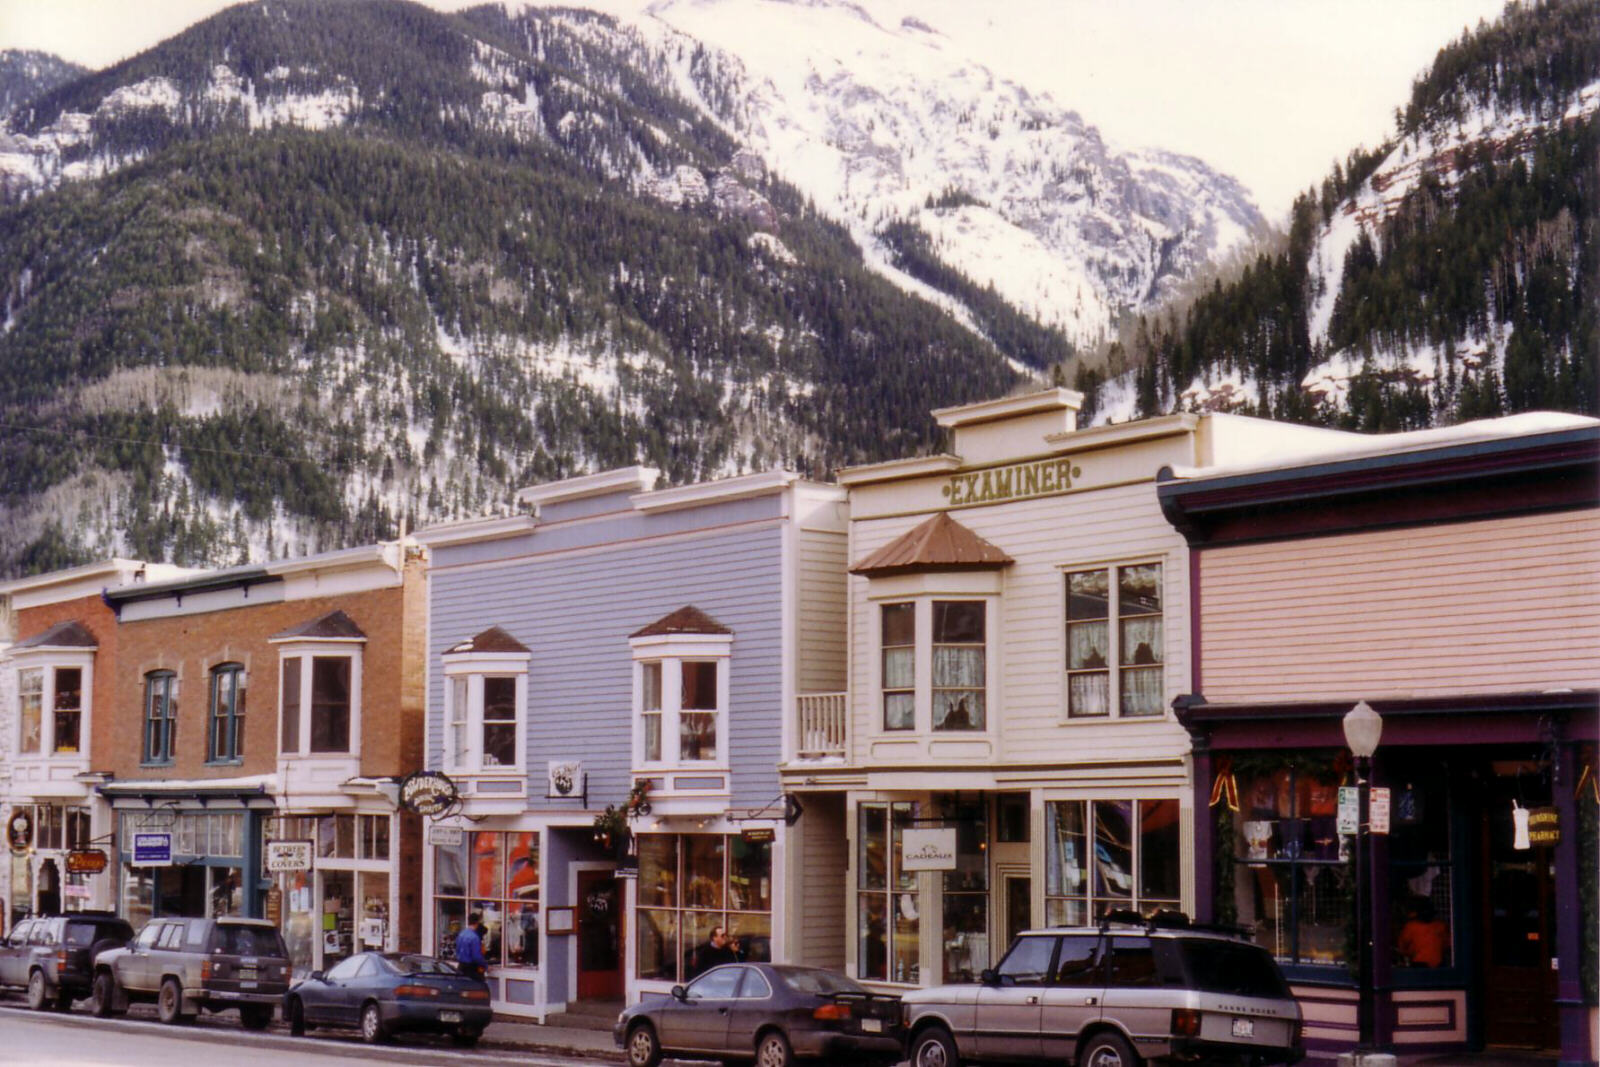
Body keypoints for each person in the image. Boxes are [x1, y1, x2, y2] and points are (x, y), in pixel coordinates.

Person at [1397, 898, 1448, 967]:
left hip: (1420, 964)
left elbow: (1402, 946)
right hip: (1438, 966)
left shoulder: (1411, 926)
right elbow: (1446, 945)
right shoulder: (1440, 926)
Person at [456, 910, 487, 980]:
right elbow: (477, 956)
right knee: (478, 988)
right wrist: (485, 966)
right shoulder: (475, 937)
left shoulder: (461, 934)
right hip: (472, 968)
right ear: (477, 923)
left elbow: (457, 950)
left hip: (461, 966)